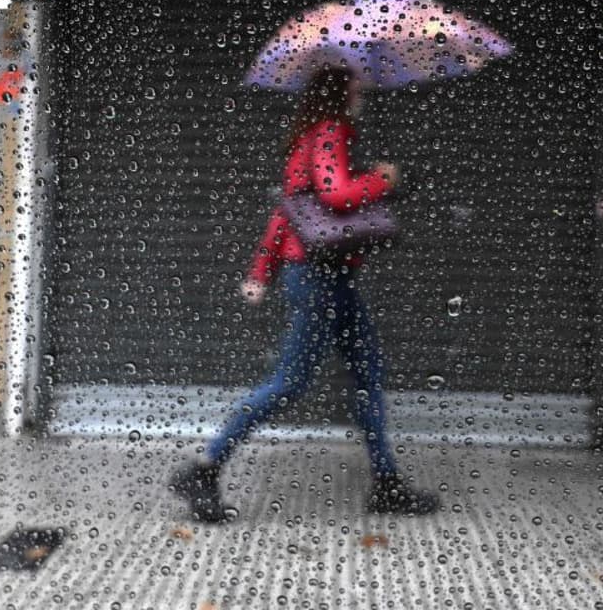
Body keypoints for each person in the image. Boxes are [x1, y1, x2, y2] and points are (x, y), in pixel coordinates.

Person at [170, 66, 440, 523]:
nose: (363, 90)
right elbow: (335, 196)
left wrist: (262, 271)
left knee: (367, 373)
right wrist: (382, 180)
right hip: (320, 278)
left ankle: (388, 484)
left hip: (328, 277)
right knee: (289, 382)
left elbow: (287, 211)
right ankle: (205, 467)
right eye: (356, 84)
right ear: (338, 91)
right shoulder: (330, 131)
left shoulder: (310, 137)